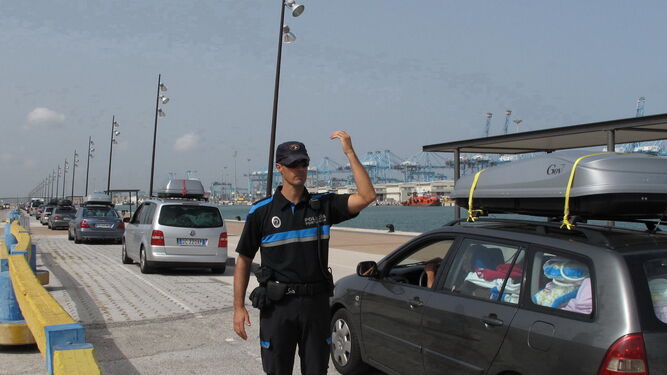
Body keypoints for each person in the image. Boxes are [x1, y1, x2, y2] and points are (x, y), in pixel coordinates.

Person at [233, 131, 376, 375]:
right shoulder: (261, 212)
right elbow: (244, 259)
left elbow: (367, 196)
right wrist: (238, 307)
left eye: (303, 163)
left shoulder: (323, 206)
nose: (299, 169)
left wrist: (349, 153)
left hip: (316, 306)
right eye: (292, 164)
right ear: (279, 167)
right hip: (278, 308)